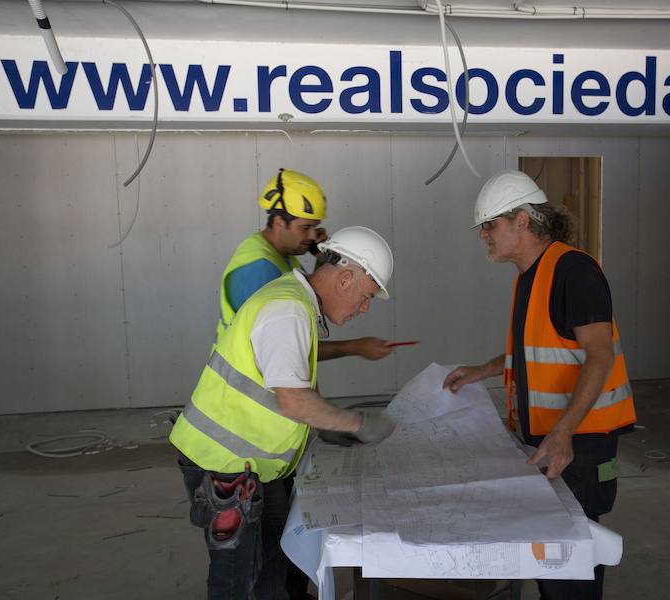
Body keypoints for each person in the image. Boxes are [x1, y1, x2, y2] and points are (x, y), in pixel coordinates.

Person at [171, 226, 397, 600]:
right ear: (345, 278)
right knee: (236, 578)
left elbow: (292, 376)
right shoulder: (288, 308)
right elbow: (292, 399)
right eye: (366, 296)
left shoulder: (297, 303)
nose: (364, 308)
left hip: (254, 467)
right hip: (223, 464)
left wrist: (325, 425)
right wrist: (357, 423)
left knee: (276, 564)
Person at [443, 169, 636, 600]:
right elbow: (537, 353)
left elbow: (599, 355)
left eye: (490, 225)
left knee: (570, 564)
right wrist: (484, 370)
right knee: (553, 558)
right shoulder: (531, 276)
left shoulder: (573, 271)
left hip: (581, 447)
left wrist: (564, 432)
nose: (484, 236)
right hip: (552, 441)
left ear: (523, 221)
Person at [216, 167, 393, 362]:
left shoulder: (281, 254)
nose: (311, 235)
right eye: (305, 227)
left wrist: (323, 260)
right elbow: (287, 343)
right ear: (279, 222)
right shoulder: (258, 269)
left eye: (314, 227)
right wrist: (354, 347)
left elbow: (313, 298)